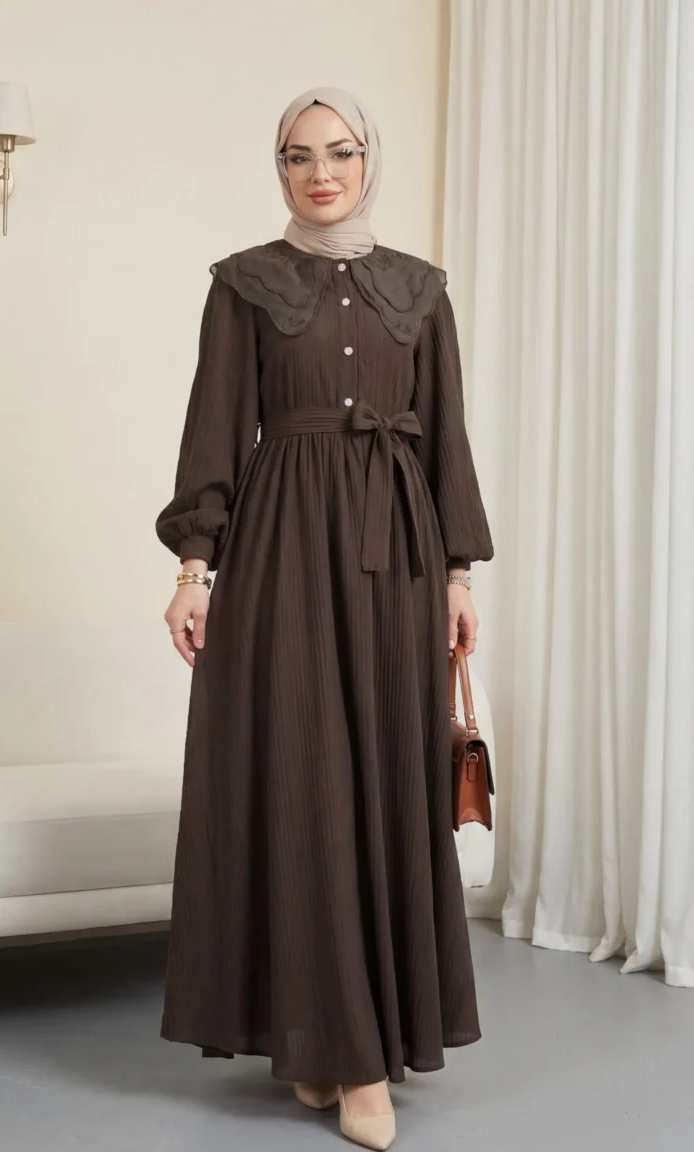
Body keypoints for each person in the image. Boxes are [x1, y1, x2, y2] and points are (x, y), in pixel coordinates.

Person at [155, 86, 494, 1152]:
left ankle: (341, 1040)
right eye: (298, 156)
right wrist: (196, 569)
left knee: (385, 785)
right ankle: (345, 1055)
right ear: (281, 170)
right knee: (303, 786)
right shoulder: (244, 285)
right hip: (283, 555)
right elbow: (216, 427)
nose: (321, 173)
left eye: (340, 152)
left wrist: (457, 575)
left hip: (398, 561)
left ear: (367, 160)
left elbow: (447, 437)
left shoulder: (419, 289)